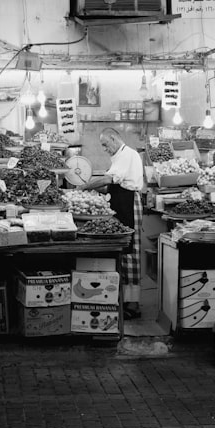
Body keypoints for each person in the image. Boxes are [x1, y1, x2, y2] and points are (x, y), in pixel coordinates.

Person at [81, 128, 146, 318]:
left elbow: (109, 179)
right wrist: (93, 192)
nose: (104, 148)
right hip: (120, 203)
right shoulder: (118, 158)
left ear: (113, 138)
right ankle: (123, 299)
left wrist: (84, 186)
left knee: (130, 251)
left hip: (129, 205)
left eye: (104, 144)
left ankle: (132, 304)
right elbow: (112, 187)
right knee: (122, 251)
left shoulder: (128, 154)